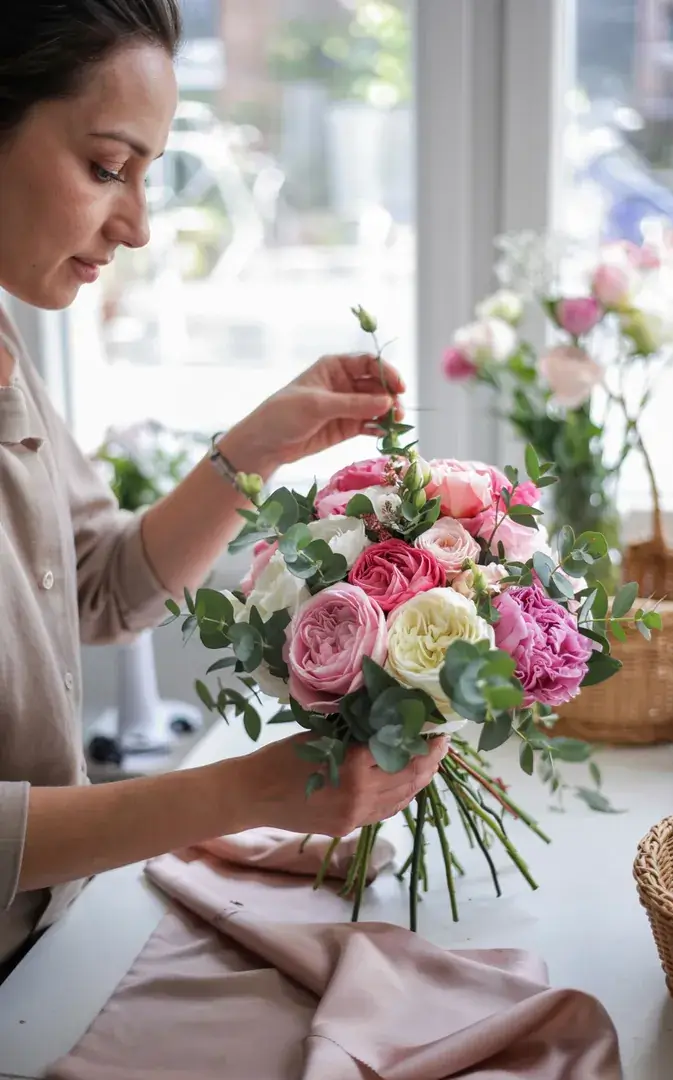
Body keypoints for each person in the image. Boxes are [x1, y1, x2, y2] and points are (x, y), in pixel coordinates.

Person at [0, 0, 446, 979]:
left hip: (48, 957)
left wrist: (256, 446)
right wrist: (240, 791)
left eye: (149, 175)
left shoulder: (6, 350)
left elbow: (101, 585)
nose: (140, 226)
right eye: (108, 167)